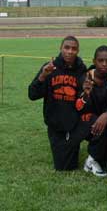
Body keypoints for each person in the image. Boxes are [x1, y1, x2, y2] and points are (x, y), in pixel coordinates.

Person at [28, 36, 86, 171]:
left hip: (74, 124)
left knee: (71, 165)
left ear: (77, 51)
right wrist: (42, 76)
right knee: (62, 167)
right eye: (67, 47)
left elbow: (82, 99)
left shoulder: (81, 69)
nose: (70, 51)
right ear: (60, 49)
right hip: (55, 124)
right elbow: (32, 95)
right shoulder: (49, 68)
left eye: (74, 49)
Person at [75, 45, 107, 178]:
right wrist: (85, 95)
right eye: (100, 60)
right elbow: (78, 107)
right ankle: (92, 159)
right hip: (86, 119)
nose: (104, 64)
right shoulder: (84, 78)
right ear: (94, 61)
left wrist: (106, 114)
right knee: (95, 123)